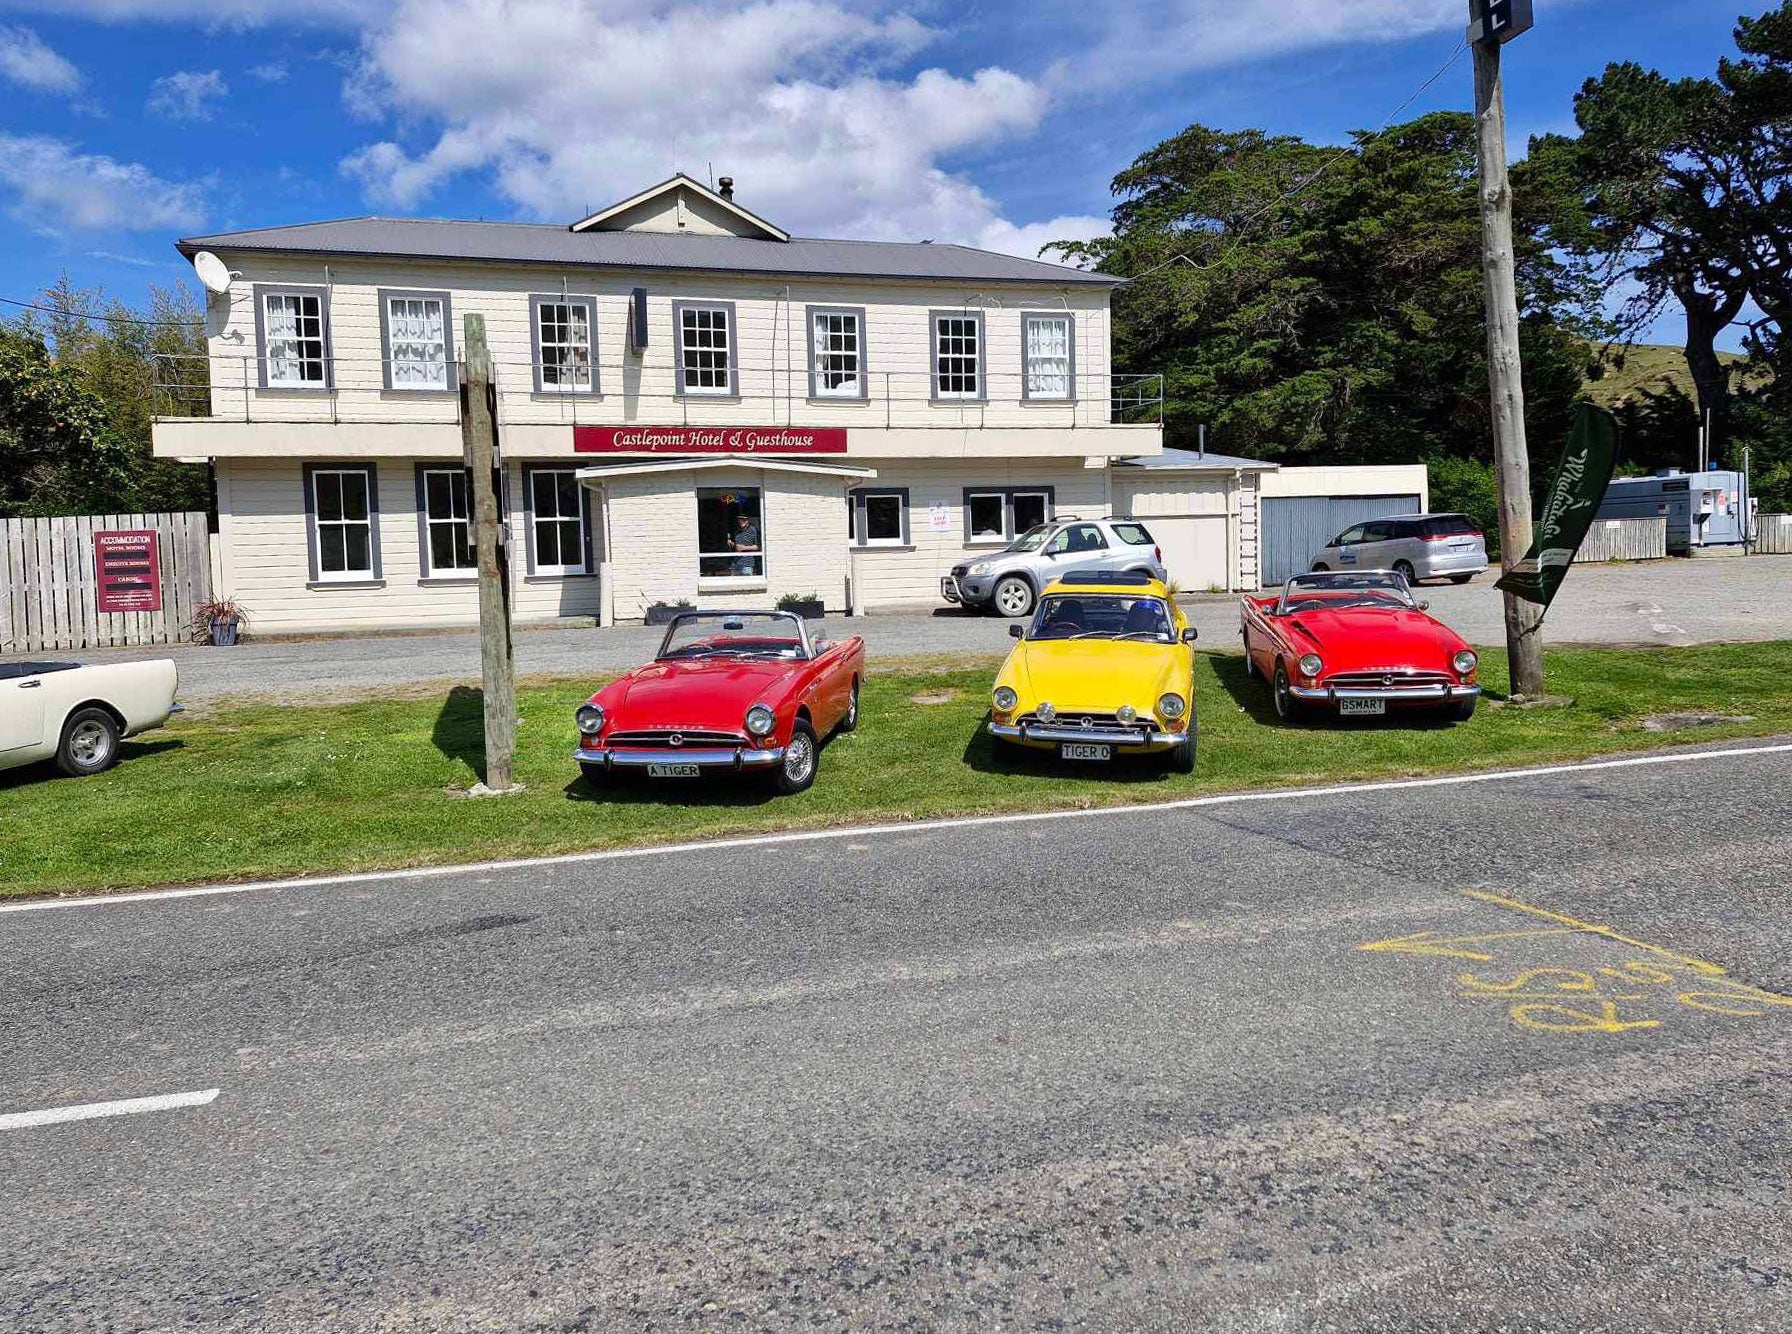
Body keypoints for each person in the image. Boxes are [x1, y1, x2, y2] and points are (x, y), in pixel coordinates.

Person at [727, 510, 761, 575]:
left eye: (743, 520)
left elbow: (758, 546)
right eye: (739, 520)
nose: (741, 521)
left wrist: (744, 548)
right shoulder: (737, 531)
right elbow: (737, 547)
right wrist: (732, 544)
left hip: (747, 564)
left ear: (748, 520)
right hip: (736, 563)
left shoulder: (753, 530)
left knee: (747, 583)